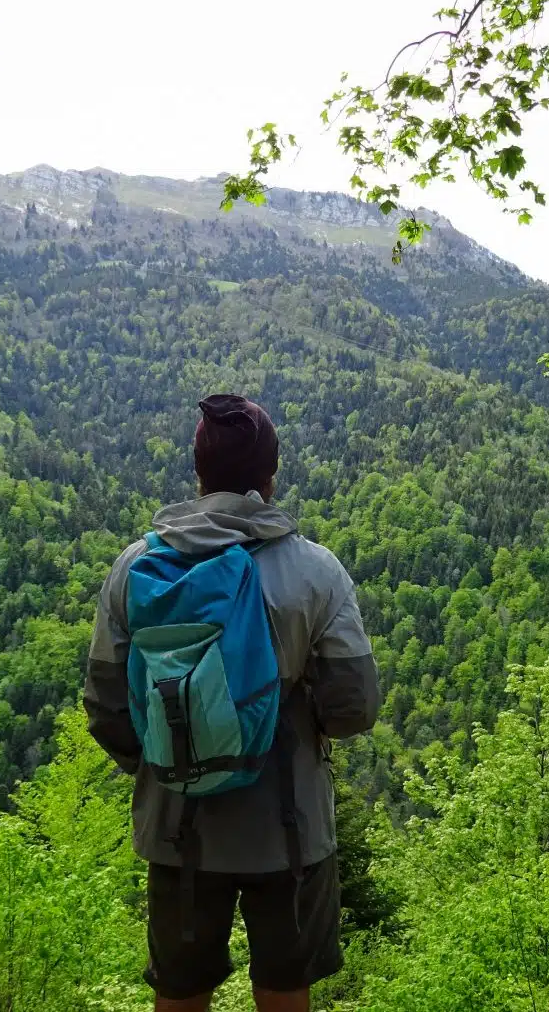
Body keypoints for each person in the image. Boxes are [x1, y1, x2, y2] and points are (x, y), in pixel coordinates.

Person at [85, 394, 380, 1012]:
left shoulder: (136, 568)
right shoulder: (315, 572)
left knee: (181, 989)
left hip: (177, 828)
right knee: (282, 989)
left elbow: (107, 705)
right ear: (270, 477)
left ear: (198, 474)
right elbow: (354, 707)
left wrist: (168, 759)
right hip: (288, 829)